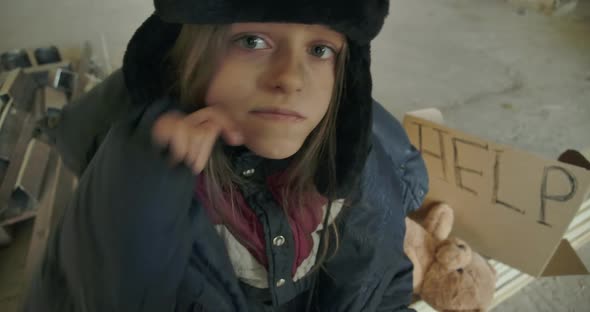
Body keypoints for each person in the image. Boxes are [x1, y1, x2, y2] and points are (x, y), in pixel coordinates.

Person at [24, 0, 429, 311]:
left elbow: (382, 282)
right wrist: (147, 193)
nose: (289, 77)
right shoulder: (141, 183)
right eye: (252, 41)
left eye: (320, 50)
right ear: (190, 56)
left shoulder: (355, 167)